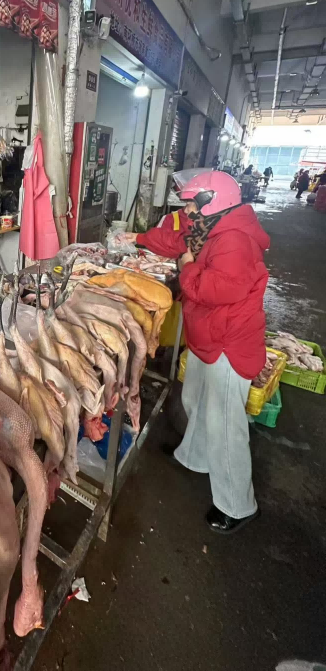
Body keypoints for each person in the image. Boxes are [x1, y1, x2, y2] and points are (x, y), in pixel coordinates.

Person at [124, 171, 269, 534]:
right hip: (209, 335)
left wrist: (186, 268)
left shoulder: (234, 239)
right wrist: (138, 238)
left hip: (228, 342)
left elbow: (212, 289)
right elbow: (177, 239)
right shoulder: (213, 225)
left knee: (224, 423)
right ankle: (195, 456)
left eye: (192, 202)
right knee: (196, 398)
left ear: (212, 202)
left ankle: (237, 504)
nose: (188, 209)